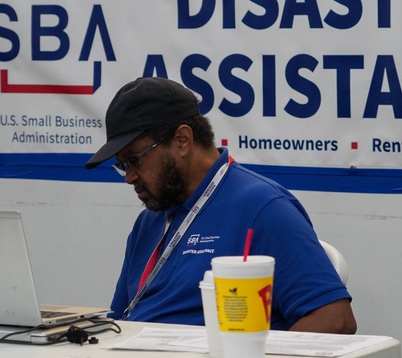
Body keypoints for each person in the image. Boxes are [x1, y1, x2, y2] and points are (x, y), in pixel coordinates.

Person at [84, 76, 356, 334]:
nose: (129, 177)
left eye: (134, 160)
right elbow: (120, 319)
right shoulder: (149, 221)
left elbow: (336, 320)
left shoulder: (263, 208)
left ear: (182, 140)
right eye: (122, 165)